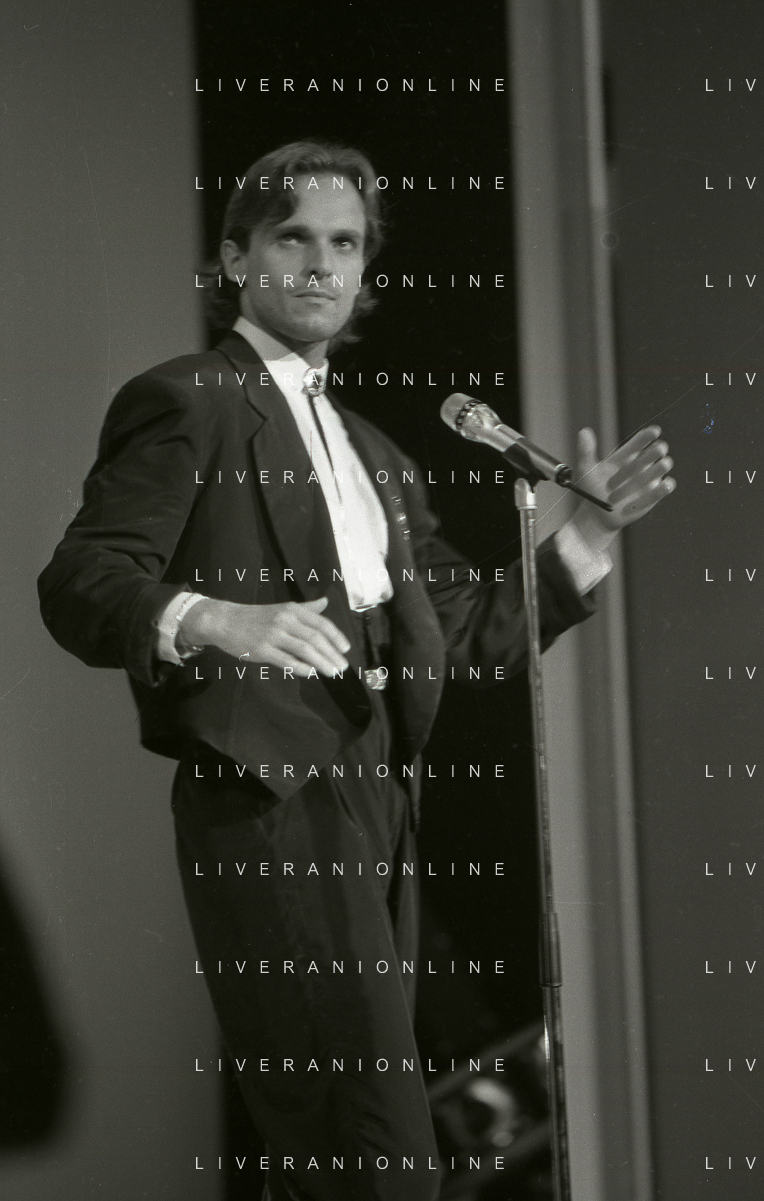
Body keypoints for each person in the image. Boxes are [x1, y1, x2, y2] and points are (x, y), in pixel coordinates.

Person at [37, 140, 675, 1201]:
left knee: (342, 1148)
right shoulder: (190, 398)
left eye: (344, 244)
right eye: (294, 237)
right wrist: (214, 617)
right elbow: (81, 581)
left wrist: (582, 538)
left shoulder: (374, 453)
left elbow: (460, 629)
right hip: (271, 793)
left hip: (381, 793)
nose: (321, 264)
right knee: (374, 1142)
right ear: (236, 258)